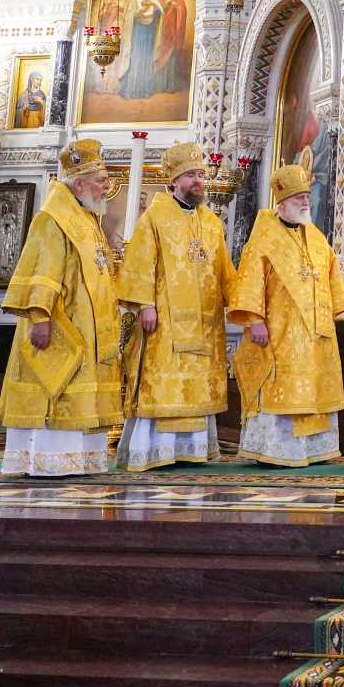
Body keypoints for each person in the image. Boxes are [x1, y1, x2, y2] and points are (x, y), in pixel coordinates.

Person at [0, 139, 127, 476]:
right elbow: (43, 269)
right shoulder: (54, 219)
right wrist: (39, 316)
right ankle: (49, 461)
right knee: (56, 387)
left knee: (81, 393)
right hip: (60, 325)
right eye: (101, 180)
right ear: (80, 182)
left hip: (89, 327)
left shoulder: (87, 217)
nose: (106, 188)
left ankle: (82, 461)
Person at [117, 142, 235, 470]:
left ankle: (193, 449)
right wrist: (144, 306)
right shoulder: (155, 216)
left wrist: (244, 303)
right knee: (163, 382)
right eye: (191, 175)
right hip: (164, 320)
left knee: (196, 384)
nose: (199, 180)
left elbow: (225, 270)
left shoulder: (211, 222)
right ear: (174, 181)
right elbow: (140, 263)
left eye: (201, 174)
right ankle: (154, 450)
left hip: (205, 321)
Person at [228, 163, 344, 465]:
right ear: (281, 203)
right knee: (282, 386)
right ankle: (275, 449)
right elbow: (250, 281)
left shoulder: (317, 238)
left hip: (315, 333)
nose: (305, 202)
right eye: (299, 198)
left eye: (307, 196)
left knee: (313, 387)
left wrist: (329, 314)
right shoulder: (264, 239)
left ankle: (313, 449)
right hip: (279, 330)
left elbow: (331, 279)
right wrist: (255, 321)